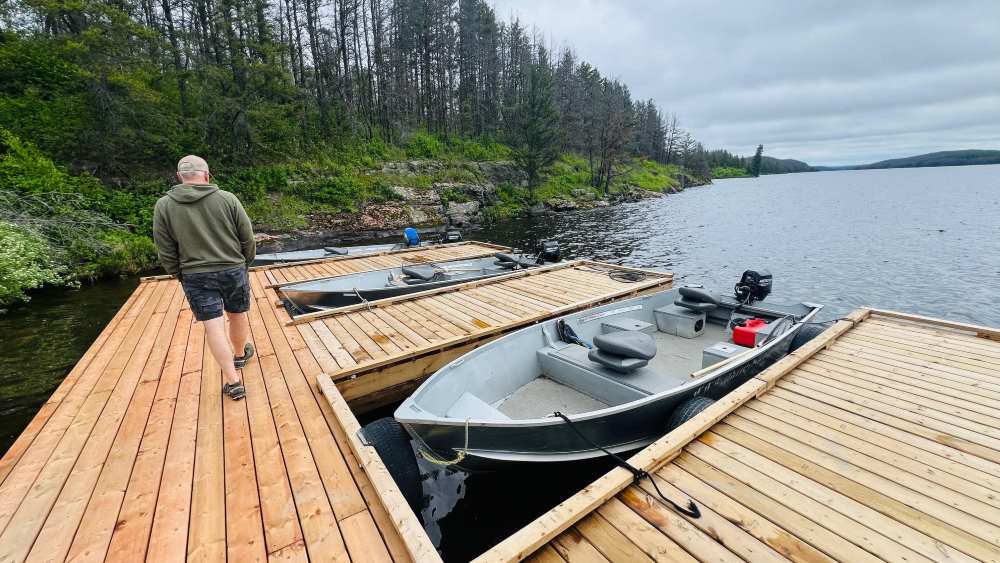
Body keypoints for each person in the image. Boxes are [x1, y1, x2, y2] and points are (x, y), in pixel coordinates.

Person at [153, 155, 256, 400]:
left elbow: (165, 249)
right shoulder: (228, 199)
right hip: (232, 268)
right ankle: (240, 355)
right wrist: (244, 264)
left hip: (195, 275)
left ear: (179, 177)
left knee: (213, 324)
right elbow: (247, 238)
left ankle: (234, 382)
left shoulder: (164, 206)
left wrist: (179, 274)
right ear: (207, 175)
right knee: (237, 314)